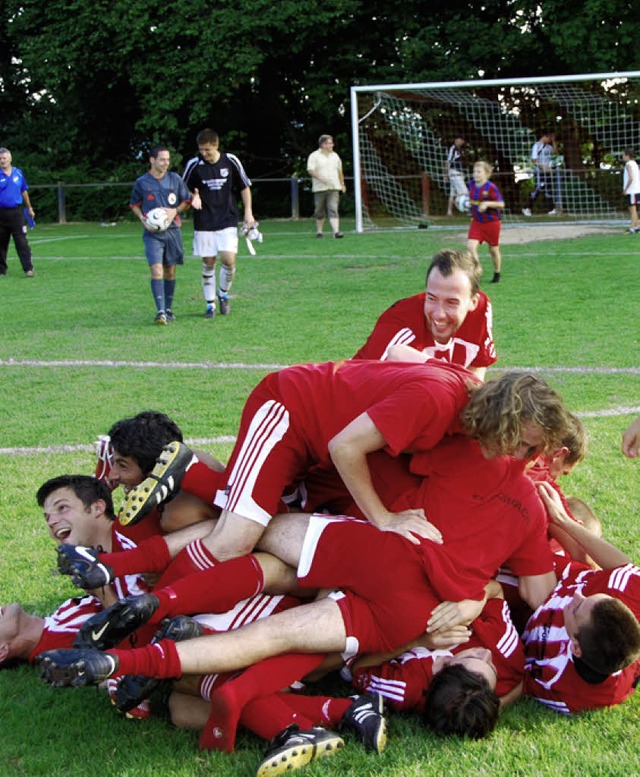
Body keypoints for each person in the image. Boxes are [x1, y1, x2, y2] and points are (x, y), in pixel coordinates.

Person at [522, 482, 640, 715]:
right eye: (592, 597)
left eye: (577, 608)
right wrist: (562, 521)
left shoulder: (561, 689)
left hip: (525, 600)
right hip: (564, 564)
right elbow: (621, 567)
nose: (576, 595)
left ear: (575, 647)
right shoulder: (632, 600)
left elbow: (511, 678)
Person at [352, 248, 496, 380]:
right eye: (431, 298)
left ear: (473, 302)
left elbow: (477, 366)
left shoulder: (481, 310)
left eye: (451, 302)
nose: (439, 314)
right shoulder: (400, 323)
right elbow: (364, 386)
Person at [182, 128, 255, 319]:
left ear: (216, 145)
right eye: (201, 150)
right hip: (204, 220)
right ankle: (209, 305)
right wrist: (193, 197)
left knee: (229, 260)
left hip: (227, 219)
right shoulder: (194, 165)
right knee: (208, 262)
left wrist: (248, 213)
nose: (204, 154)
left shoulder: (230, 161)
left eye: (207, 150)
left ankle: (223, 293)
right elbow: (183, 190)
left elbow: (244, 187)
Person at [129, 144, 191, 325]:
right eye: (162, 159)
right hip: (152, 234)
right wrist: (142, 219)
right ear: (152, 160)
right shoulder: (142, 182)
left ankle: (169, 308)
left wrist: (174, 211)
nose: (166, 163)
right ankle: (160, 311)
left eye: (168, 159)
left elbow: (186, 201)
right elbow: (134, 204)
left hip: (172, 231)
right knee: (156, 268)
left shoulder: (175, 179)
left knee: (170, 270)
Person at [467, 161, 505, 284]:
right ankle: (477, 271)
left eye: (479, 172)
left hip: (492, 222)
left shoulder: (491, 187)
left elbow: (501, 204)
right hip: (477, 222)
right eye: (474, 171)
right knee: (470, 247)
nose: (476, 174)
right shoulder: (471, 184)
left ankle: (497, 273)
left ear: (487, 174)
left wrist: (487, 204)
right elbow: (470, 200)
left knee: (493, 250)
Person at [0, 147, 35, 277]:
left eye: (4, 158)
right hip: (1, 213)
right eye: (0, 159)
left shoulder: (18, 173)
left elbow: (24, 191)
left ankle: (28, 269)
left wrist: (29, 208)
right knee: (1, 243)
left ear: (10, 158)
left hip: (16, 213)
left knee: (21, 241)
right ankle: (1, 270)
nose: (2, 161)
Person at [307, 135, 346, 239]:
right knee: (319, 211)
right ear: (323, 144)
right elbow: (310, 170)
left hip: (334, 187)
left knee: (333, 209)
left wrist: (342, 184)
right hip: (320, 188)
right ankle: (319, 232)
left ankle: (336, 232)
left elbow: (339, 171)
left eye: (332, 143)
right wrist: (320, 178)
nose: (332, 145)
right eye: (329, 143)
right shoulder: (314, 156)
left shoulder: (335, 156)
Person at [522, 131, 558, 217]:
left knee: (548, 189)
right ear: (545, 136)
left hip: (548, 172)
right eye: (549, 138)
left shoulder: (549, 147)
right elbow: (534, 161)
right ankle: (527, 207)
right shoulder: (537, 146)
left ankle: (551, 209)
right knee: (538, 188)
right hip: (540, 172)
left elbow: (556, 153)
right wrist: (544, 167)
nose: (550, 140)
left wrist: (554, 141)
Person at [445, 135, 469, 217]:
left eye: (460, 140)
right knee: (464, 192)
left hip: (460, 173)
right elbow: (448, 161)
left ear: (462, 141)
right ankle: (466, 209)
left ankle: (449, 212)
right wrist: (446, 174)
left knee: (453, 193)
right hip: (455, 173)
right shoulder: (453, 149)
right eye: (456, 140)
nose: (458, 142)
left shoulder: (463, 150)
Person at [622, 148, 640, 233]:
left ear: (627, 155)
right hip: (636, 189)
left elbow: (631, 177)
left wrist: (626, 189)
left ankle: (632, 228)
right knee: (634, 209)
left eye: (623, 155)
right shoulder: (635, 164)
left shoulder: (628, 164)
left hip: (632, 190)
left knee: (632, 209)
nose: (623, 157)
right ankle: (636, 226)